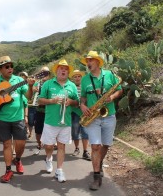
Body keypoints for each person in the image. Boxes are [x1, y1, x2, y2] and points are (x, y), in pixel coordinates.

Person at [0, 56, 34, 183]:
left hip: (18, 118)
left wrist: (30, 86)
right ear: (0, 70)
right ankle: (8, 170)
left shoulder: (19, 80)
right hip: (2, 119)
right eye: (6, 67)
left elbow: (29, 97)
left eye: (11, 66)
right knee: (7, 145)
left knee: (21, 144)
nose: (10, 68)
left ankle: (18, 159)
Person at [80, 51, 123, 191]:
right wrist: (82, 105)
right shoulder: (85, 79)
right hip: (93, 118)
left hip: (109, 115)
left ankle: (99, 160)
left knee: (106, 145)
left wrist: (112, 97)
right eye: (87, 60)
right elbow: (83, 98)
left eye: (91, 60)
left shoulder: (109, 75)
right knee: (95, 147)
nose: (88, 63)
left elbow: (120, 90)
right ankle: (96, 176)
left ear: (98, 62)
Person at [38, 59, 79, 183]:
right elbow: (40, 100)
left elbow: (76, 103)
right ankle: (49, 157)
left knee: (61, 146)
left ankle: (59, 170)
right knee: (49, 146)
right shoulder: (48, 84)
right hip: (50, 121)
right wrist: (51, 101)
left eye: (66, 69)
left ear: (68, 72)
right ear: (57, 71)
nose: (63, 70)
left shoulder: (72, 85)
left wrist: (71, 102)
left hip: (65, 122)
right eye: (61, 68)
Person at [70, 70, 91, 160]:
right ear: (73, 79)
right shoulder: (71, 87)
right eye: (75, 76)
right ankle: (76, 148)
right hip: (75, 112)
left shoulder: (85, 86)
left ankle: (85, 151)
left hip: (85, 113)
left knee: (85, 132)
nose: (77, 78)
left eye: (79, 76)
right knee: (75, 132)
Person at [32, 66, 50, 155]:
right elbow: (32, 89)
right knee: (38, 130)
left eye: (46, 72)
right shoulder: (37, 82)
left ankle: (49, 146)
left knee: (50, 130)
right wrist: (34, 88)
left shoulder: (52, 83)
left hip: (49, 111)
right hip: (39, 109)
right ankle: (39, 144)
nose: (45, 74)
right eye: (43, 72)